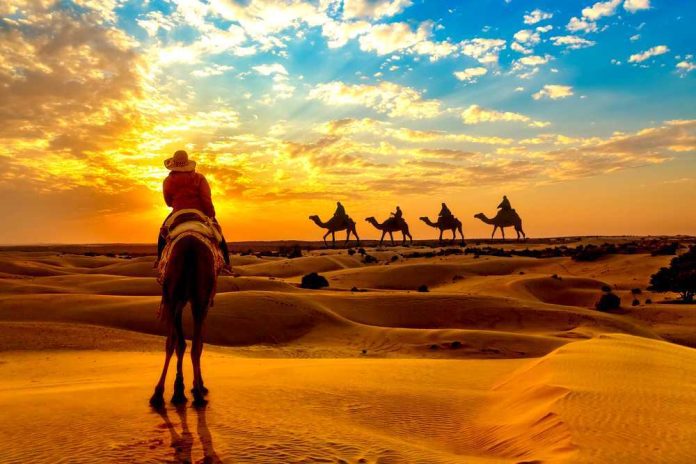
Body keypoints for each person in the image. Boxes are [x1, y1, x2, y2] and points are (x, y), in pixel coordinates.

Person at [156, 150, 230, 268]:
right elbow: (206, 198)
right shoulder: (199, 178)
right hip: (199, 211)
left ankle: (160, 260)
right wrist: (211, 214)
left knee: (162, 235)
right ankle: (226, 262)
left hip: (177, 212)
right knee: (219, 235)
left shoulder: (168, 181)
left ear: (174, 164)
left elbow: (168, 202)